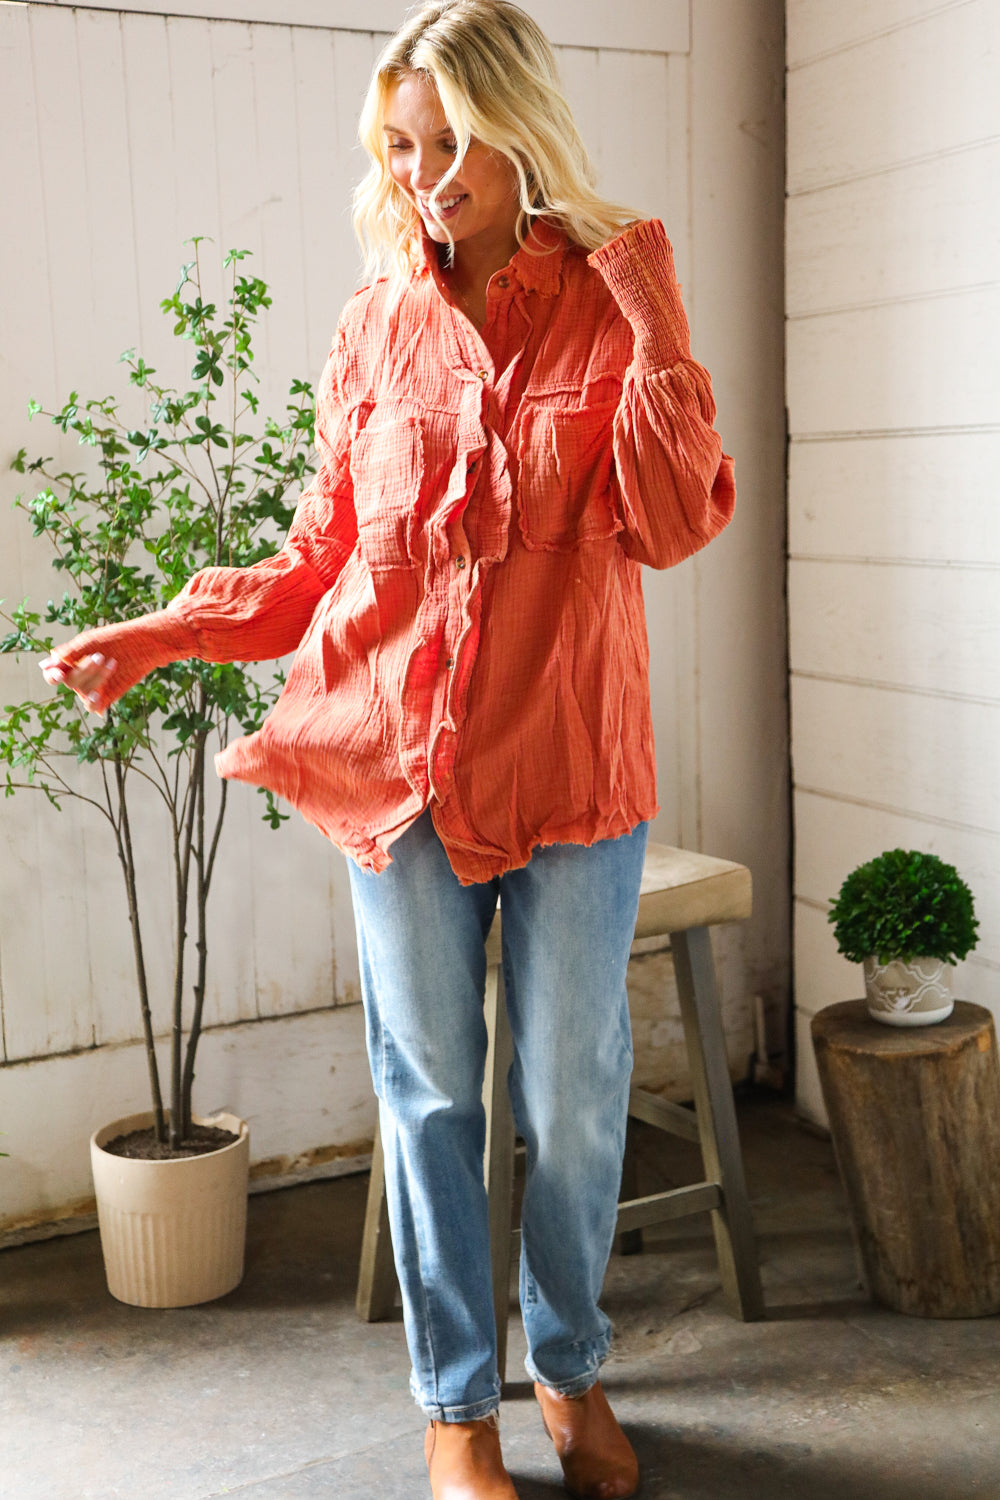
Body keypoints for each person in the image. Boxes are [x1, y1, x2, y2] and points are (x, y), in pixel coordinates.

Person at [42, 3, 735, 1495]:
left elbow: (679, 524)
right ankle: (455, 1407)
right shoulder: (374, 324)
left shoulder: (617, 300)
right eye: (400, 147)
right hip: (402, 768)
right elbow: (321, 558)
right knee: (427, 1093)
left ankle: (572, 1370)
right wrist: (158, 630)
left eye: (451, 144)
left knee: (570, 1095)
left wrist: (654, 305)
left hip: (571, 765)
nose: (424, 176)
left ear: (520, 127)